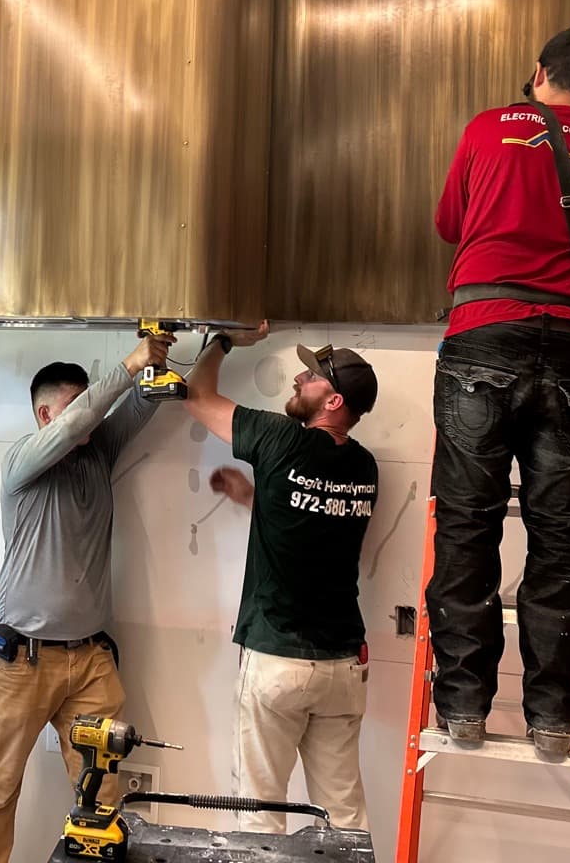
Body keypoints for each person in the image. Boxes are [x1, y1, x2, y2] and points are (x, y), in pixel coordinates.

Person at [429, 25, 570, 758]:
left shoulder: (491, 127)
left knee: (466, 524)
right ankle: (553, 719)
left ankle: (461, 708)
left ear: (539, 70)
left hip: (484, 332)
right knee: (560, 534)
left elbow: (451, 224)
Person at [0, 329, 175, 863]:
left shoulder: (98, 454)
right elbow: (85, 417)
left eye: (91, 409)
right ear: (46, 416)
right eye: (76, 409)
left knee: (101, 794)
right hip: (22, 663)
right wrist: (127, 364)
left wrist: (204, 347)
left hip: (91, 660)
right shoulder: (20, 464)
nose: (91, 420)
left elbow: (148, 400)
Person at [182, 321, 380, 834]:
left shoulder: (279, 439)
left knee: (259, 813)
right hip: (343, 665)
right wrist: (253, 496)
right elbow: (314, 520)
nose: (297, 379)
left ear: (333, 401)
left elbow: (197, 396)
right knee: (343, 817)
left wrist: (224, 341)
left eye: (310, 377)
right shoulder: (364, 467)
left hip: (279, 660)